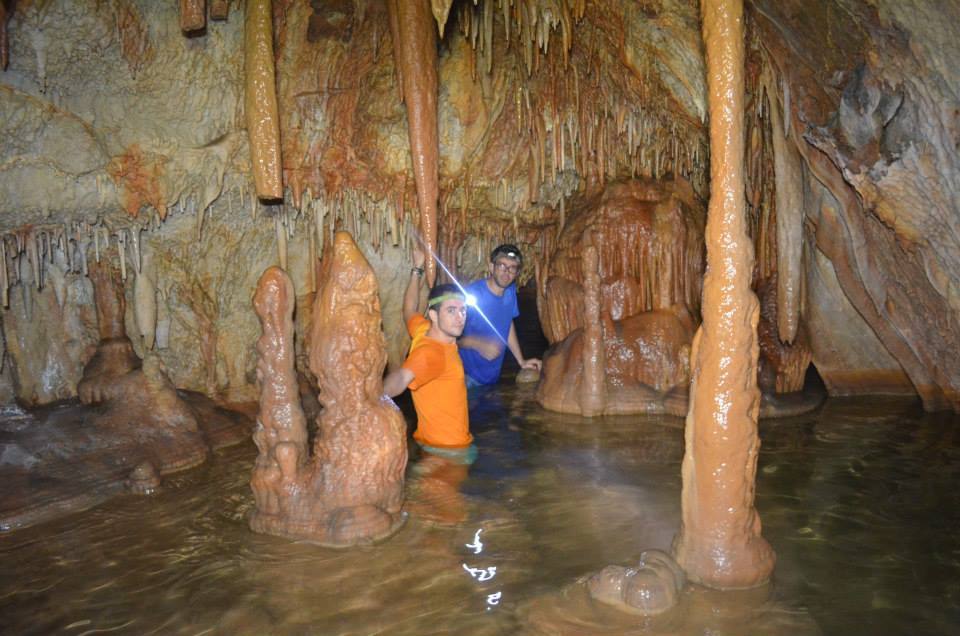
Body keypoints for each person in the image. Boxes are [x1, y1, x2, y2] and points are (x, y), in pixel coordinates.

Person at [383, 249, 474, 458]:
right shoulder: (432, 353)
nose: (460, 317)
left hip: (448, 443)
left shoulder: (422, 330)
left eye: (463, 310)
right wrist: (372, 397)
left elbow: (409, 310)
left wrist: (417, 269)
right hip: (447, 452)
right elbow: (401, 378)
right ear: (434, 314)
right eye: (451, 310)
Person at [458, 244, 541, 386]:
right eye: (502, 266)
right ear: (491, 267)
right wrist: (477, 343)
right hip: (465, 378)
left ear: (517, 273)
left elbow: (507, 324)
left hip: (492, 377)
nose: (506, 272)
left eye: (512, 268)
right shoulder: (471, 295)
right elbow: (448, 338)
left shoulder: (510, 292)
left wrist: (521, 361)